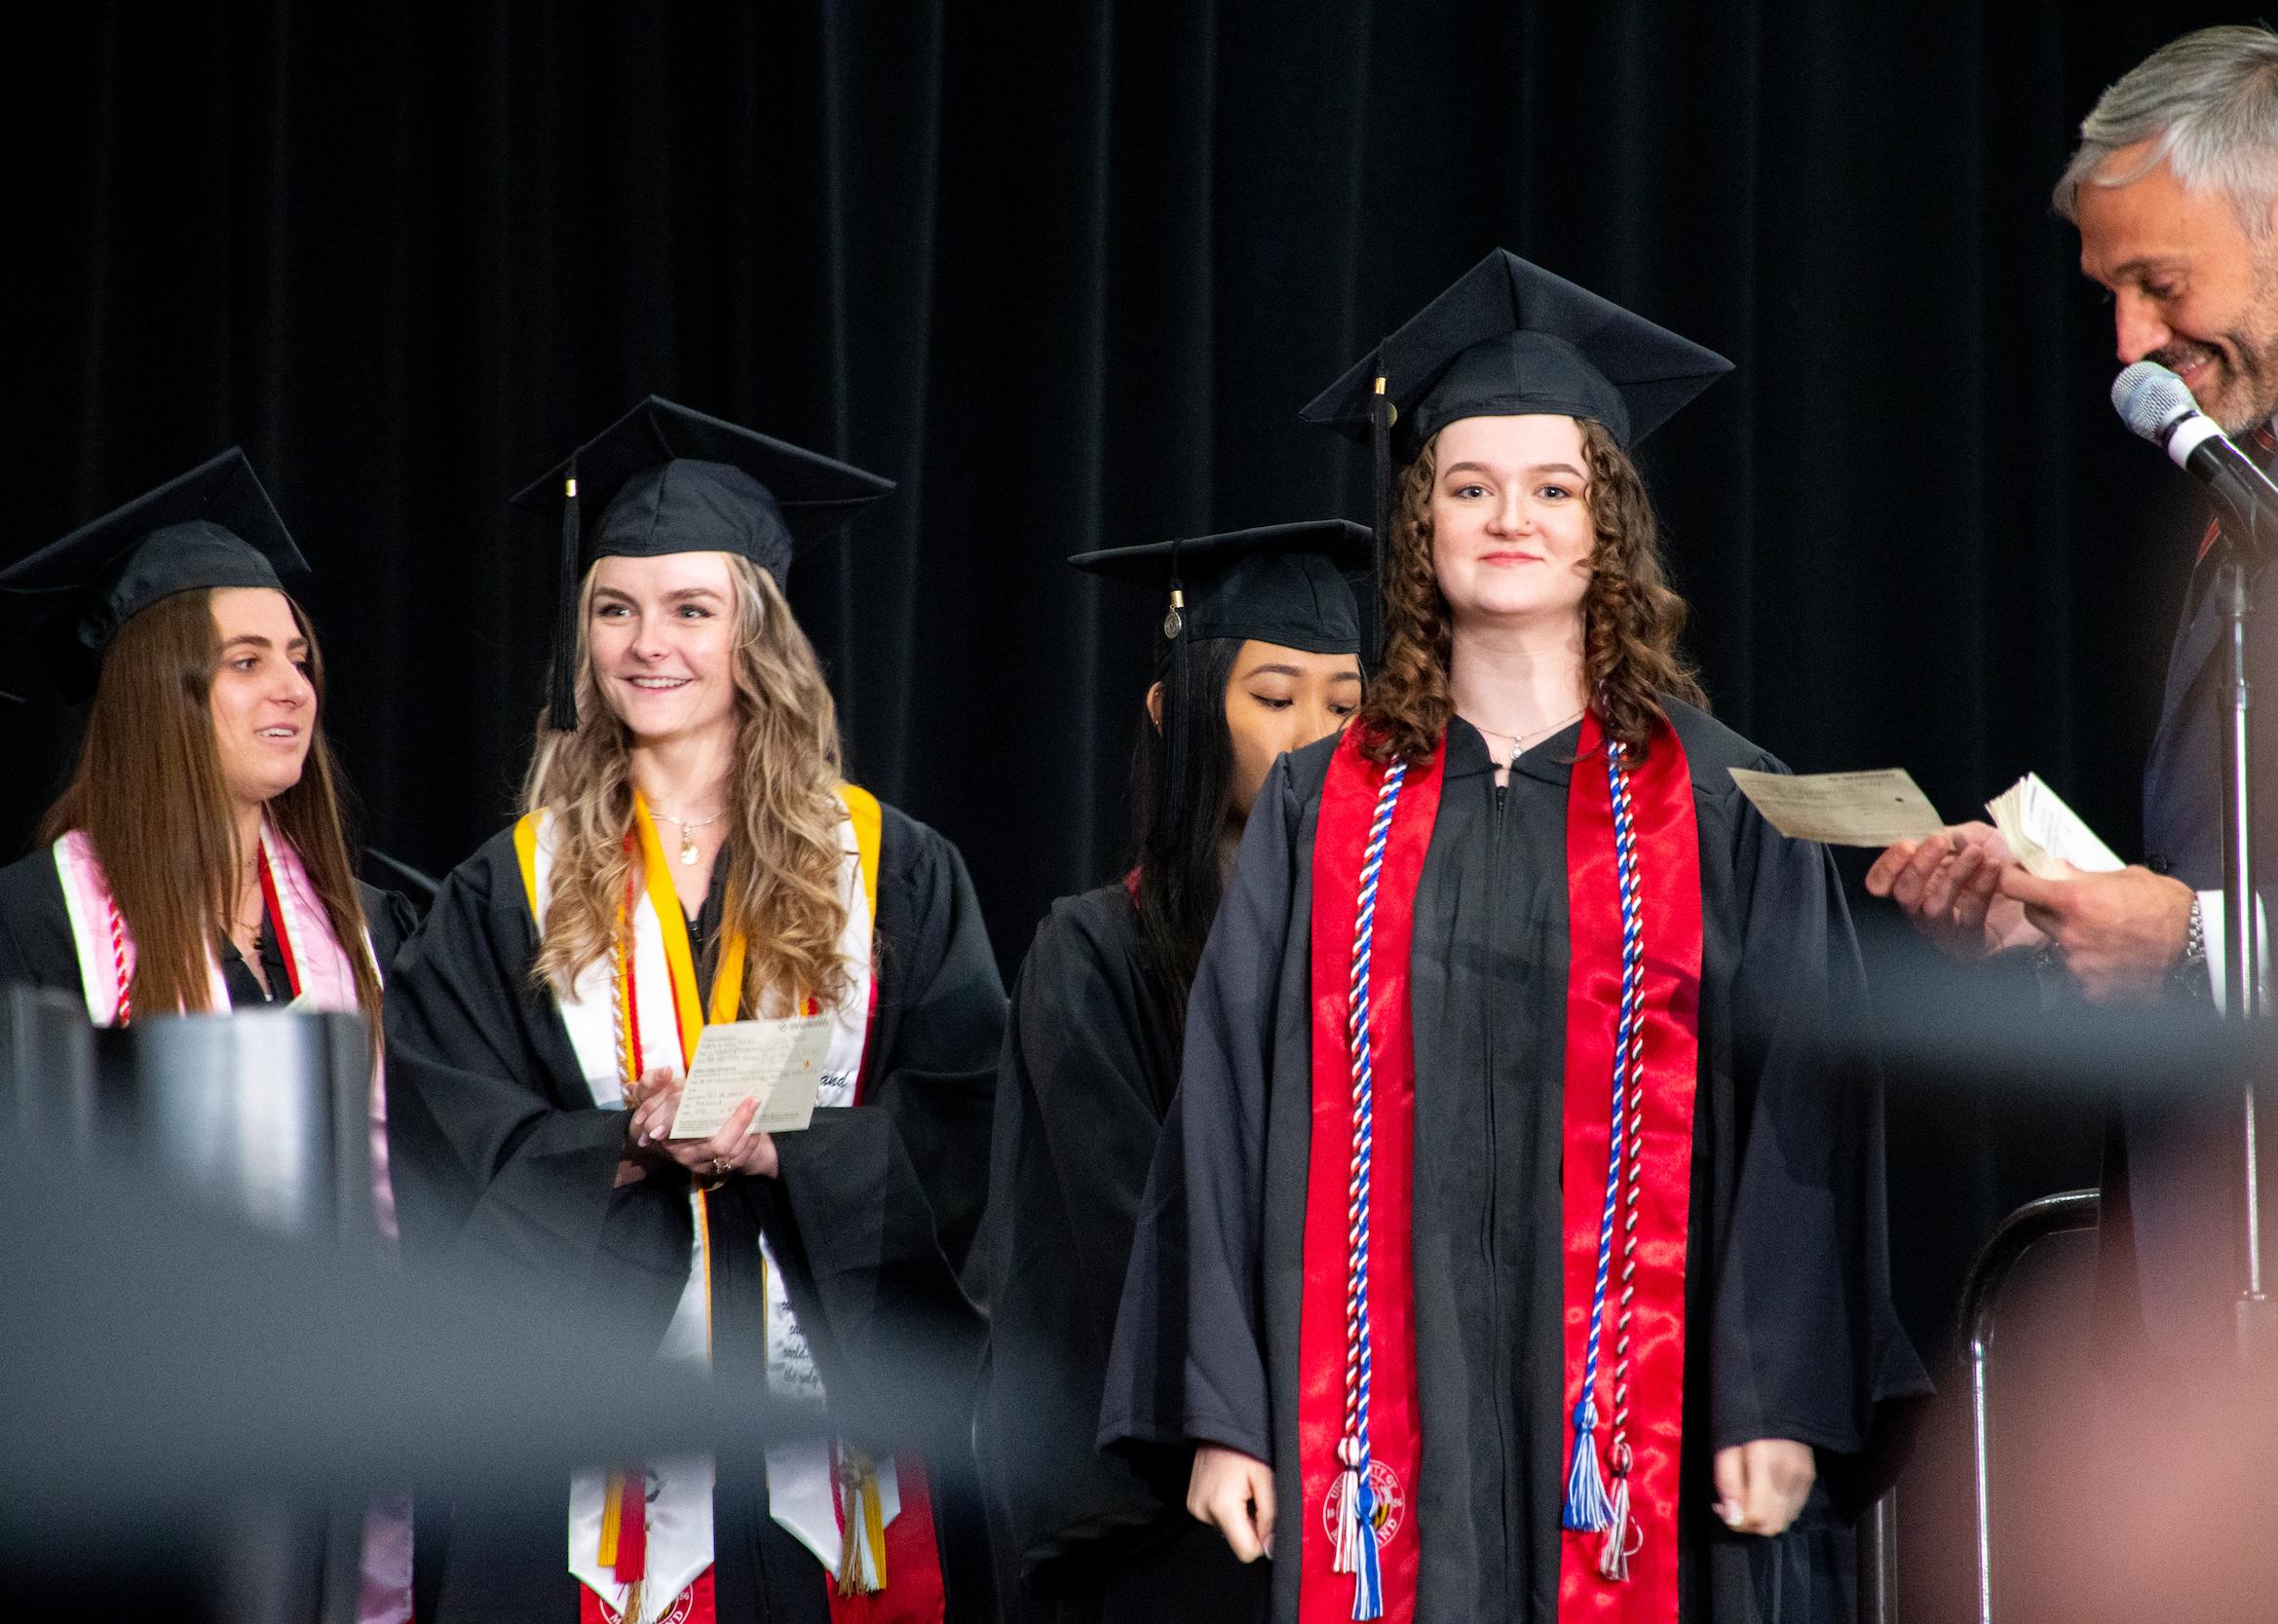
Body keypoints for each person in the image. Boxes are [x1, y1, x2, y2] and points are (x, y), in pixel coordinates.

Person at [1099, 250, 1926, 1624]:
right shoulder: (1320, 808)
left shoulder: (1722, 798)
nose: (1510, 518)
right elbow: (1225, 1113)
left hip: (1655, 1433)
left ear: (1609, 523)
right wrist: (1230, 1408)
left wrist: (1775, 1390)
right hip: (1375, 1445)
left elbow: (1805, 1111)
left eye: (1554, 488)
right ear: (1421, 524)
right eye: (1469, 487)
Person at [383, 397, 1007, 1624]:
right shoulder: (508, 885)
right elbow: (441, 1127)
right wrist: (611, 1145)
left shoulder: (888, 866)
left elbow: (970, 1120)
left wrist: (793, 1150)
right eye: (614, 609)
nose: (645, 643)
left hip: (831, 1415)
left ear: (755, 634)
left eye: (690, 609)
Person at [1864, 25, 2278, 1348]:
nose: (2128, 339)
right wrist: (2073, 925)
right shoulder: (2257, 468)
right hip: (2241, 1272)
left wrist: (2190, 940)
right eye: (2109, 292)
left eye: (2159, 281)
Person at [0, 446, 420, 1624]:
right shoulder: (35, 923)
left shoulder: (369, 923)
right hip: (132, 1453)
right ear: (160, 690)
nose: (292, 686)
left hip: (353, 1441)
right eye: (246, 661)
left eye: (298, 657)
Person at [975, 521, 1368, 1623]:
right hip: (1176, 1493)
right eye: (1273, 695)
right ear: (1178, 712)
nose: (1314, 737)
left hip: (1369, 1472)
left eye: (1343, 703)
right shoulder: (1092, 952)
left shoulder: (1387, 944)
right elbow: (1123, 1231)